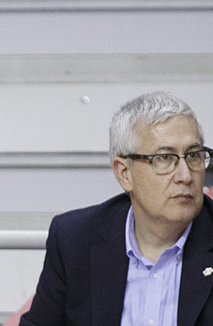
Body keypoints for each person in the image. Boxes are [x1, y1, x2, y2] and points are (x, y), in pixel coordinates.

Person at [21, 91, 213, 325]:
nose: (185, 175)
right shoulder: (75, 239)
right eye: (164, 158)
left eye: (193, 156)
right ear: (125, 174)